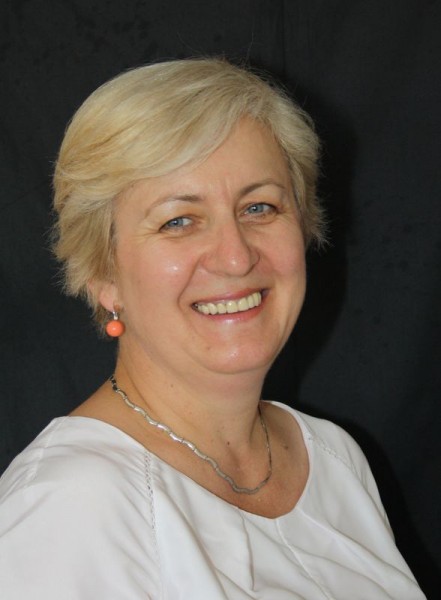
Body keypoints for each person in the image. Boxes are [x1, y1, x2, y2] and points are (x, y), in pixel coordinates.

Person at [0, 58, 425, 599]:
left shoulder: (333, 457)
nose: (235, 256)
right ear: (104, 273)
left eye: (259, 207)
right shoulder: (67, 510)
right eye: (178, 220)